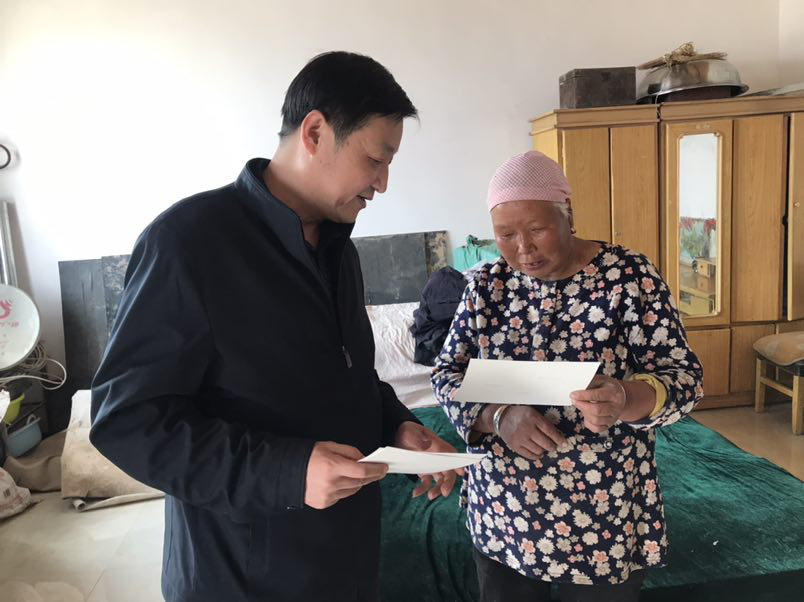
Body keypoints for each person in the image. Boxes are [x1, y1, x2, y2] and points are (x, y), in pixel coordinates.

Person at [90, 51, 460, 602]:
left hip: (346, 562)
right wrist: (286, 472)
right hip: (242, 577)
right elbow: (128, 420)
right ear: (315, 133)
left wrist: (397, 426)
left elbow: (346, 374)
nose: (382, 183)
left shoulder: (339, 250)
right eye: (375, 159)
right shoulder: (190, 243)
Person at [432, 151, 703, 601]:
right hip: (506, 514)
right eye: (505, 235)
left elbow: (685, 379)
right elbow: (447, 374)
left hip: (604, 514)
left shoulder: (628, 278)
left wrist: (626, 397)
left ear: (568, 215)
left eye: (537, 229)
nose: (524, 248)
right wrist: (498, 416)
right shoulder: (485, 286)